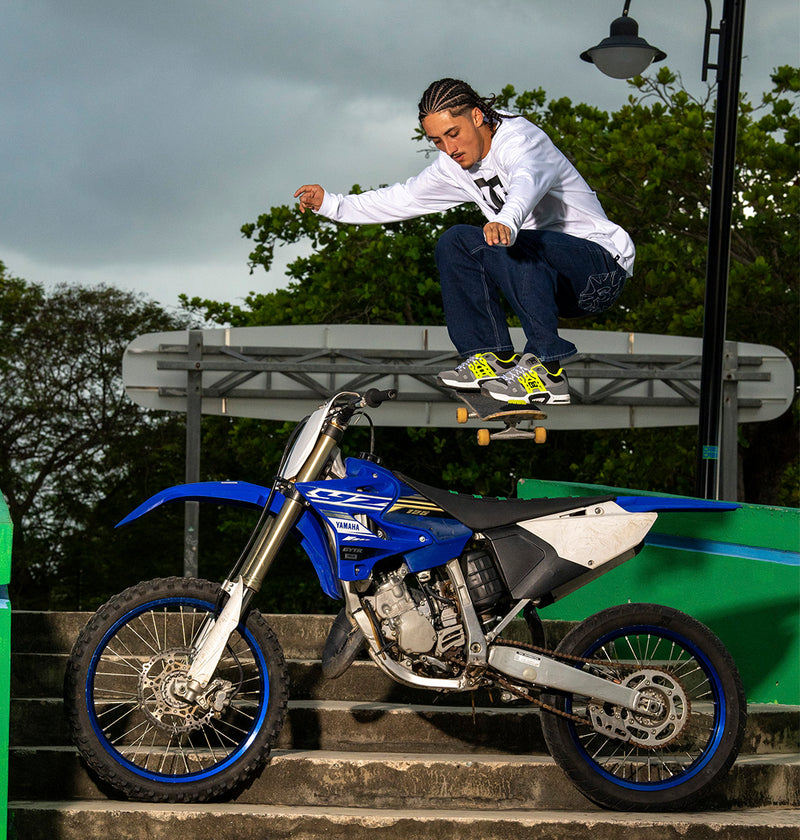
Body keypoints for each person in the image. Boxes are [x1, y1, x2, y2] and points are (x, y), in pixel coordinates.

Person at [295, 78, 634, 405]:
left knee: (503, 240)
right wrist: (332, 205)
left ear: (476, 115)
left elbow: (526, 179)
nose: (450, 149)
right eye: (437, 141)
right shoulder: (453, 167)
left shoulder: (520, 140)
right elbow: (404, 198)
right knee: (456, 240)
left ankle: (548, 369)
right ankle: (490, 357)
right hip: (550, 289)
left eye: (453, 134)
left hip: (599, 268)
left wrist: (506, 220)